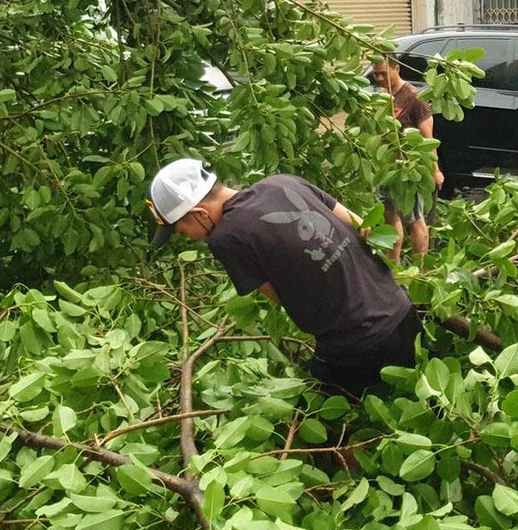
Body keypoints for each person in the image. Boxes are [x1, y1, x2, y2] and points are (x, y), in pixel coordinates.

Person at [146, 158, 419, 396]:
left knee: (338, 436)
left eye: (183, 231)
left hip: (355, 345)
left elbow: (283, 297)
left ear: (199, 214)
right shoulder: (284, 181)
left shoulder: (225, 238)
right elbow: (363, 226)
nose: (191, 239)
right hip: (402, 311)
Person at [369, 55, 443, 261]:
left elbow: (428, 139)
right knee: (390, 217)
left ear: (397, 69)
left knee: (415, 219)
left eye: (384, 73)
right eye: (376, 74)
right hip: (388, 170)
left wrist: (434, 170)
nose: (379, 78)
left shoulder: (414, 98)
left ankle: (421, 270)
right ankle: (394, 270)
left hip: (410, 171)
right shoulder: (383, 97)